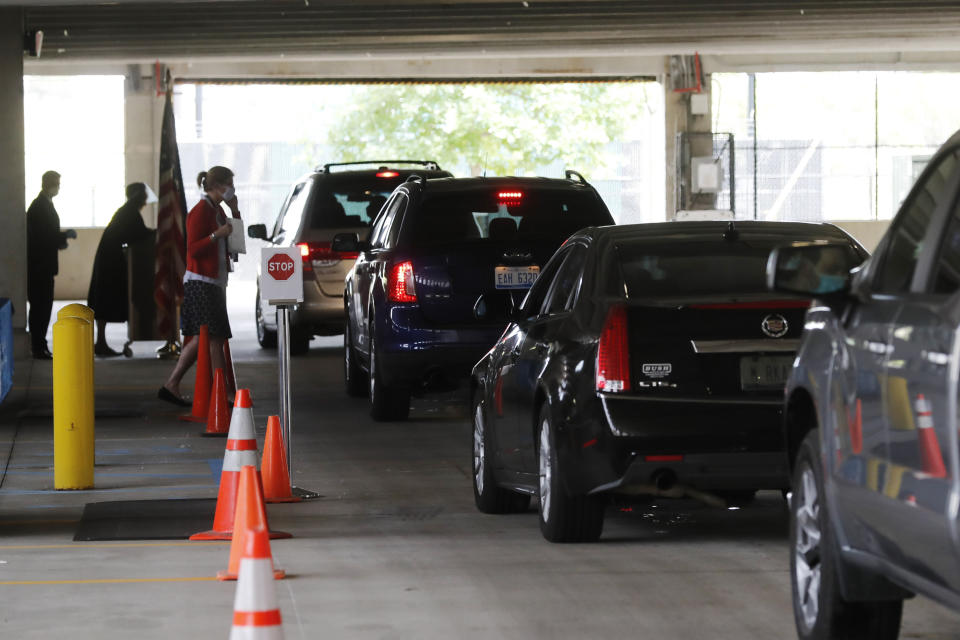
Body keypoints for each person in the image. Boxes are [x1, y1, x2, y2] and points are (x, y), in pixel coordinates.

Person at [158, 166, 240, 406]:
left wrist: (234, 210)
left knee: (203, 338)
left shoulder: (218, 210)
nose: (231, 189)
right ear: (216, 186)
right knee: (214, 337)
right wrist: (217, 235)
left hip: (214, 280)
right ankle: (221, 392)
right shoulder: (200, 211)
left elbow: (236, 239)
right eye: (228, 184)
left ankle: (171, 384)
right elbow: (192, 248)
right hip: (201, 281)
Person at [86, 182, 154, 357]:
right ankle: (100, 342)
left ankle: (101, 342)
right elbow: (139, 234)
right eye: (144, 196)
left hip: (111, 258)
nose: (146, 200)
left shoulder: (128, 210)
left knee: (105, 301)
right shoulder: (130, 212)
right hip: (111, 260)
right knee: (105, 301)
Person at [26, 170, 76, 360]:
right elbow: (43, 236)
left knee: (44, 307)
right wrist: (63, 236)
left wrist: (60, 238)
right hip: (39, 267)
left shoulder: (46, 204)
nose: (58, 188)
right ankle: (37, 345)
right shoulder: (39, 207)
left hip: (44, 266)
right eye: (57, 183)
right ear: (48, 184)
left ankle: (40, 344)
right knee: (40, 307)